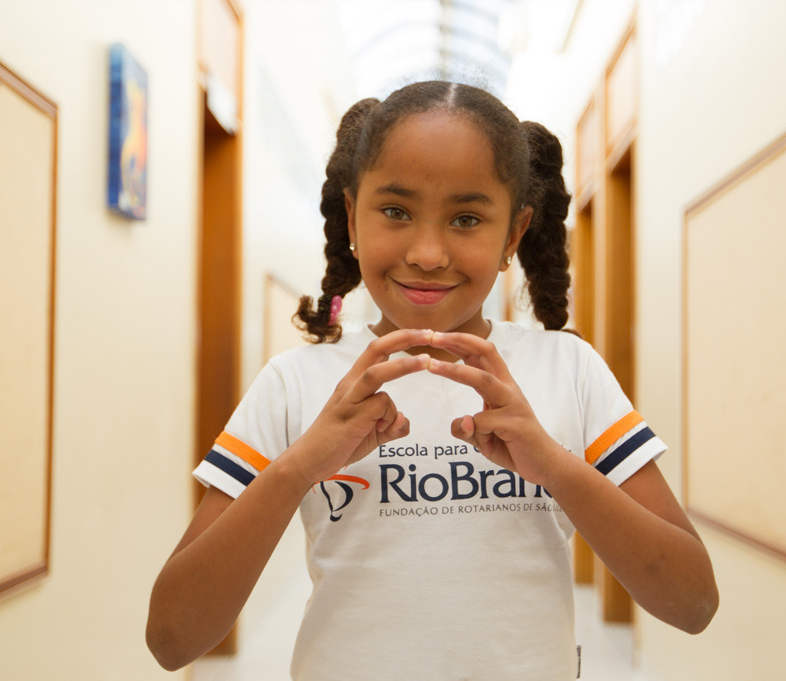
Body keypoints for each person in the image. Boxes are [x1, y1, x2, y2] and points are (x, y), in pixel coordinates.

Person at [146, 81, 718, 679]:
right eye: (395, 211)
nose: (426, 252)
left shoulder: (568, 372)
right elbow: (172, 638)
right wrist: (298, 466)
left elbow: (693, 602)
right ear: (351, 216)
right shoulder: (294, 383)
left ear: (514, 234)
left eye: (466, 218)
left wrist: (553, 465)